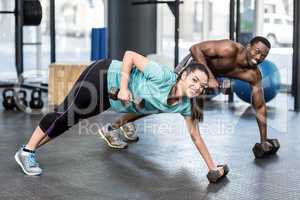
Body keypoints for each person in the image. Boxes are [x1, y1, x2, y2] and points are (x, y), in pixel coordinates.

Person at [15, 50, 228, 183]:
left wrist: (212, 168)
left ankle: (27, 150)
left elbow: (196, 137)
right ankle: (27, 151)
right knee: (64, 114)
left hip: (110, 96)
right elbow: (129, 55)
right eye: (194, 80)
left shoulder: (184, 106)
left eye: (202, 86)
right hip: (105, 74)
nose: (197, 87)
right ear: (183, 75)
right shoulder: (163, 76)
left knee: (70, 121)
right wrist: (124, 87)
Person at [175, 36, 278, 156]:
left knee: (190, 116)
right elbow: (195, 49)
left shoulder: (253, 75)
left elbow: (259, 106)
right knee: (166, 98)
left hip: (207, 79)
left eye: (263, 56)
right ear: (248, 46)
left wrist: (264, 140)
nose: (258, 57)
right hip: (192, 66)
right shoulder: (230, 48)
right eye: (257, 51)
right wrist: (211, 78)